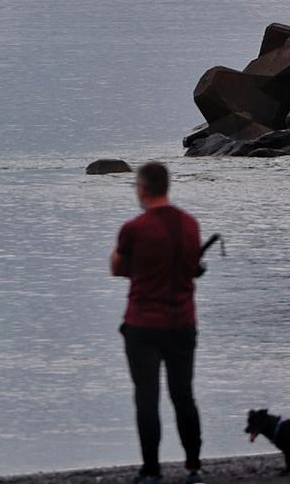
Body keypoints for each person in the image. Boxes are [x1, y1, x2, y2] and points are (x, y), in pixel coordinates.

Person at [110, 162, 204, 484]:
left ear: (144, 187)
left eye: (136, 185)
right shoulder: (190, 225)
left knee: (146, 398)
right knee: (183, 396)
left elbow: (117, 268)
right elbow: (191, 265)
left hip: (143, 325)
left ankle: (152, 471)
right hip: (183, 323)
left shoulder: (134, 228)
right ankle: (194, 468)